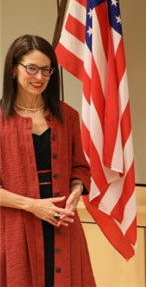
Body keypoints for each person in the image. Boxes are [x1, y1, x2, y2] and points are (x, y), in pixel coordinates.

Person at [0, 35, 96, 286]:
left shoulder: (68, 116)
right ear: (13, 68)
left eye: (46, 70)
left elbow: (80, 167)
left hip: (62, 224)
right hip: (14, 229)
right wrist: (33, 206)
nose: (39, 77)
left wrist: (76, 190)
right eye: (31, 68)